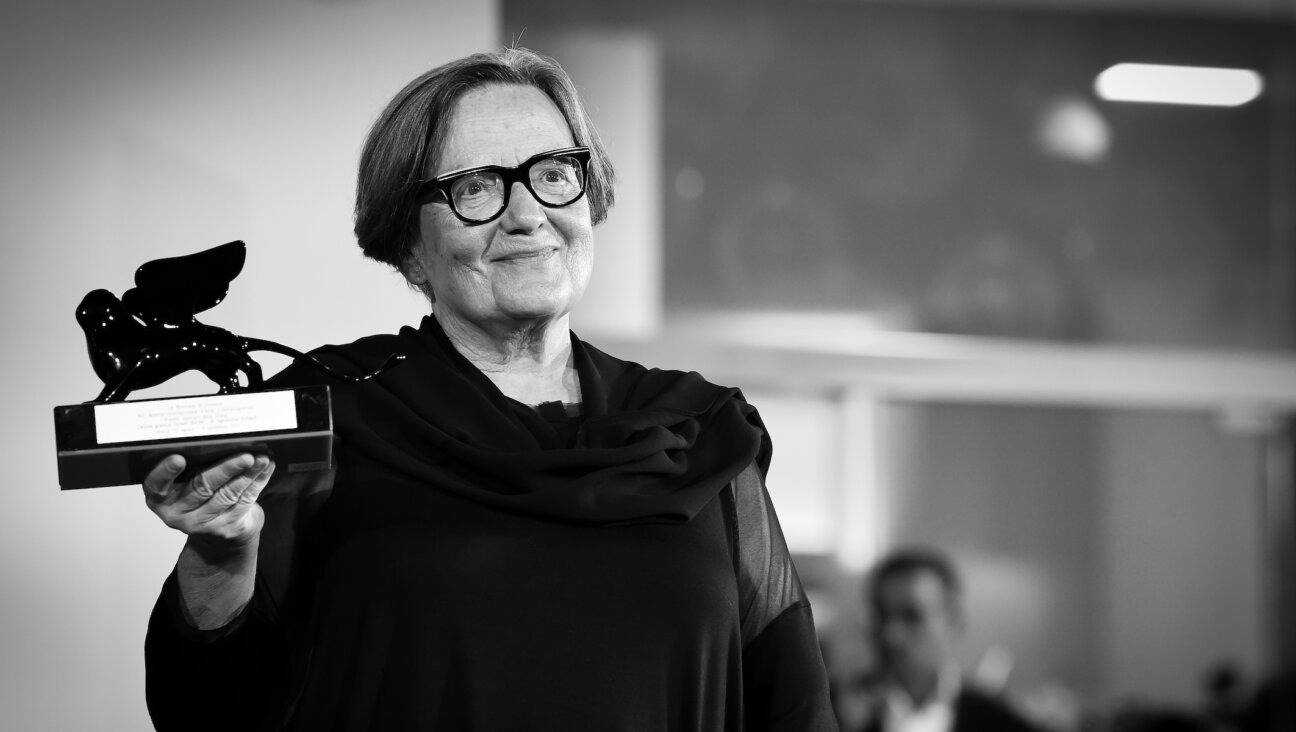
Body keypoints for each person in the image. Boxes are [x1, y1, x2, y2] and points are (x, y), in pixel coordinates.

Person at [139, 47, 835, 731]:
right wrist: (219, 557)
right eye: (476, 186)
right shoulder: (332, 411)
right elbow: (203, 711)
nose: (527, 214)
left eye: (555, 172)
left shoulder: (702, 431)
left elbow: (796, 708)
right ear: (408, 242)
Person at [844, 548, 1041, 732]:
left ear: (954, 621)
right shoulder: (833, 712)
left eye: (912, 616)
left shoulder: (997, 718)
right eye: (882, 615)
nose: (891, 634)